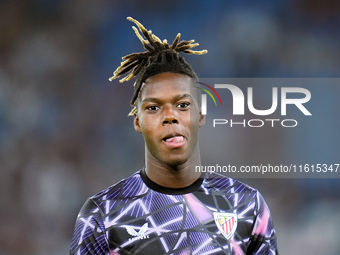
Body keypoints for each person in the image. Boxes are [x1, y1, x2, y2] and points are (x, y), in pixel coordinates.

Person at [70, 17, 278, 255]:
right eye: (153, 108)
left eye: (182, 105)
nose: (170, 117)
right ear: (138, 121)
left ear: (200, 115)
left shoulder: (246, 205)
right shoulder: (102, 213)